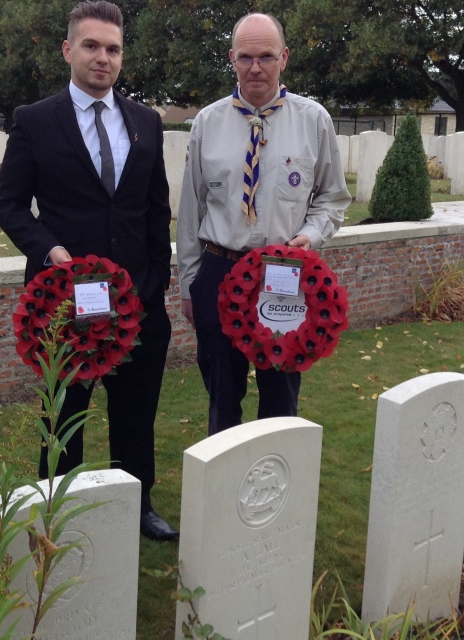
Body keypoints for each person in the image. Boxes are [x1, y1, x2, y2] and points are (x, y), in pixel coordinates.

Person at [0, 1, 177, 541]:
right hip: (63, 304)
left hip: (138, 301)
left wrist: (156, 285)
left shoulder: (144, 121)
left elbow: (154, 207)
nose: (103, 57)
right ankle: (58, 511)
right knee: (64, 413)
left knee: (135, 412)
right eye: (92, 46)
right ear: (68, 49)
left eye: (113, 48)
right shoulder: (35, 120)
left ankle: (138, 503)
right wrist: (48, 250)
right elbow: (8, 205)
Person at [176, 12, 351, 436]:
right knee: (222, 393)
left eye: (267, 56)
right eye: (246, 57)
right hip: (220, 270)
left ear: (284, 58)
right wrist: (189, 284)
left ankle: (274, 487)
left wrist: (309, 236)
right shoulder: (207, 123)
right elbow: (190, 210)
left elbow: (332, 198)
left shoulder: (314, 121)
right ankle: (223, 485)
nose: (256, 67)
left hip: (284, 275)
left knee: (280, 395)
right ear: (232, 58)